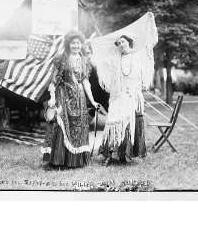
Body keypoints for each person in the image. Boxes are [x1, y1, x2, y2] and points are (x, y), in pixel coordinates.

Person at [44, 31, 99, 169]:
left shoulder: (84, 60)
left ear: (81, 44)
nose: (76, 45)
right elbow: (54, 80)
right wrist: (52, 98)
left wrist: (92, 101)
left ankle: (76, 161)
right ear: (68, 44)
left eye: (78, 43)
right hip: (64, 94)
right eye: (73, 43)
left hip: (79, 97)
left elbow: (85, 81)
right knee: (62, 124)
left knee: (78, 127)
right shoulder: (61, 58)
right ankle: (60, 160)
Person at [99, 34, 147, 166]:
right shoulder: (115, 59)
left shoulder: (137, 57)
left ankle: (125, 154)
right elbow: (103, 67)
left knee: (129, 123)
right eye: (119, 43)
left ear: (129, 42)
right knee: (113, 121)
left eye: (123, 41)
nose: (121, 44)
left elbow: (141, 76)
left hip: (132, 95)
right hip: (118, 95)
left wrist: (137, 90)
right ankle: (108, 154)